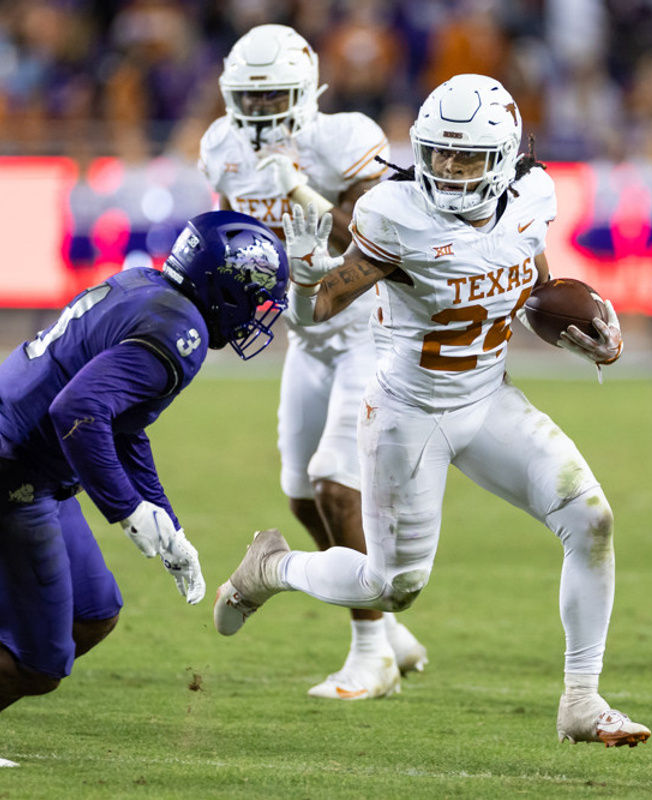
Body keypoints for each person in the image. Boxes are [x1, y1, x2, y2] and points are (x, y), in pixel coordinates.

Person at [215, 74, 650, 747]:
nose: (448, 168)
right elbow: (322, 306)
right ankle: (271, 567)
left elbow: (529, 288)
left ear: (504, 157)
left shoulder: (533, 198)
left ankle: (582, 702)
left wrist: (582, 331)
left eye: (466, 156)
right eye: (438, 152)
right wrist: (305, 268)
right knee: (392, 587)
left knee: (591, 519)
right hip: (408, 413)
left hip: (487, 399)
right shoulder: (395, 212)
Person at [0, 210, 289, 764]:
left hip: (12, 461)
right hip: (6, 476)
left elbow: (125, 426)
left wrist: (164, 517)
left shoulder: (148, 286)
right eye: (255, 295)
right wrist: (126, 511)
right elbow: (78, 410)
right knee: (40, 665)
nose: (256, 314)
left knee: (94, 613)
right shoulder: (180, 330)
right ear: (222, 284)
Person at [198, 23, 426, 701]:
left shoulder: (342, 138)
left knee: (334, 483)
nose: (261, 114)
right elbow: (228, 228)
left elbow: (379, 232)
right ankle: (388, 631)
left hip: (367, 328)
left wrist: (302, 195)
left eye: (274, 99)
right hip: (306, 335)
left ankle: (371, 653)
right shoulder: (221, 147)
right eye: (250, 99)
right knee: (301, 493)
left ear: (306, 93)